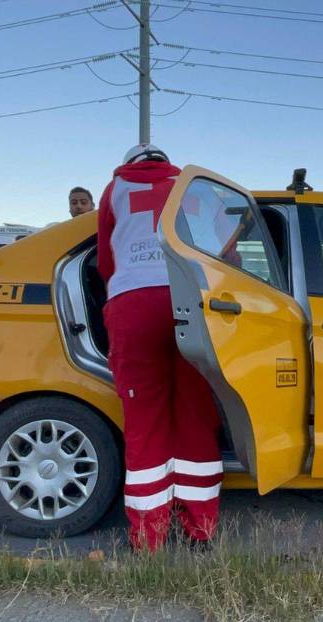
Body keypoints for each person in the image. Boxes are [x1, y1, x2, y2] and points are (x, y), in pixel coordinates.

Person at [96, 143, 223, 552]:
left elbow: (105, 260)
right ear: (166, 162)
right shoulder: (193, 187)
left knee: (144, 422)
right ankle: (199, 530)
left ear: (130, 163)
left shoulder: (113, 190)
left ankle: (147, 536)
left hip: (132, 304)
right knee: (195, 416)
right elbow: (226, 248)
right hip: (190, 299)